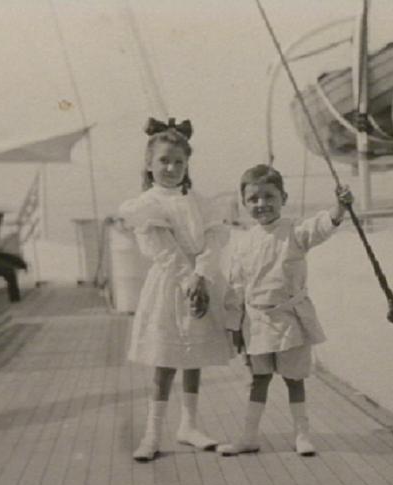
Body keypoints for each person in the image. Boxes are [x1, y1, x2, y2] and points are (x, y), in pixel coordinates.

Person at [218, 164, 353, 457]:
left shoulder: (293, 231)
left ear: (283, 198)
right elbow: (237, 288)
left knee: (294, 378)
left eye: (269, 196)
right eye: (253, 199)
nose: (261, 204)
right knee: (258, 379)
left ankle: (302, 434)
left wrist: (339, 209)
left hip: (289, 319)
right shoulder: (243, 243)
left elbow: (318, 228)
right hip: (255, 323)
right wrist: (234, 326)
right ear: (244, 204)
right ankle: (249, 436)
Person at [119, 117, 232, 462]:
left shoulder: (200, 201)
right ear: (149, 165)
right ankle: (153, 432)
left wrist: (202, 274)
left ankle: (190, 425)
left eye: (179, 162)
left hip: (201, 280)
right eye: (164, 161)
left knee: (193, 354)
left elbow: (213, 239)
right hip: (170, 284)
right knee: (165, 359)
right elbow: (162, 248)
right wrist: (188, 279)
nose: (171, 167)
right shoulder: (147, 205)